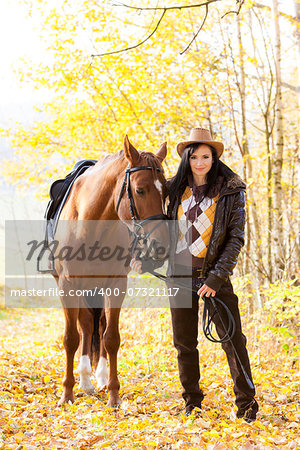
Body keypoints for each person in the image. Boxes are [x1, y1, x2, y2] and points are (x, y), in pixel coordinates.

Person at [130, 127, 259, 422]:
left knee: (233, 339)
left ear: (214, 158)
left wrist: (215, 279)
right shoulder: (175, 188)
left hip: (214, 276)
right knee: (184, 343)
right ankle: (192, 402)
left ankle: (247, 403)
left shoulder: (231, 189)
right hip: (179, 275)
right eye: (194, 156)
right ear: (186, 158)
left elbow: (235, 239)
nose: (200, 162)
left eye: (206, 156)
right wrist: (148, 260)